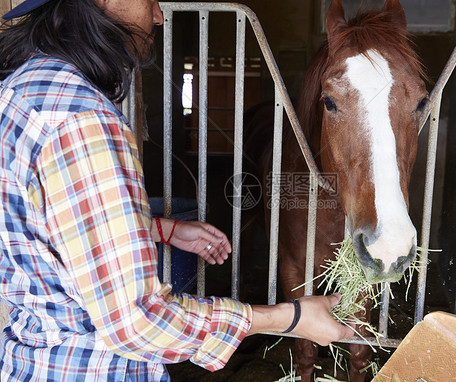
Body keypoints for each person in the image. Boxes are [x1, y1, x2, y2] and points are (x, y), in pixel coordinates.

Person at [0, 0, 354, 380]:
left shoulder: (21, 91)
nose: (158, 14)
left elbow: (47, 225)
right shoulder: (83, 121)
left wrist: (160, 229)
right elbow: (137, 322)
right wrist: (289, 317)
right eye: (149, 0)